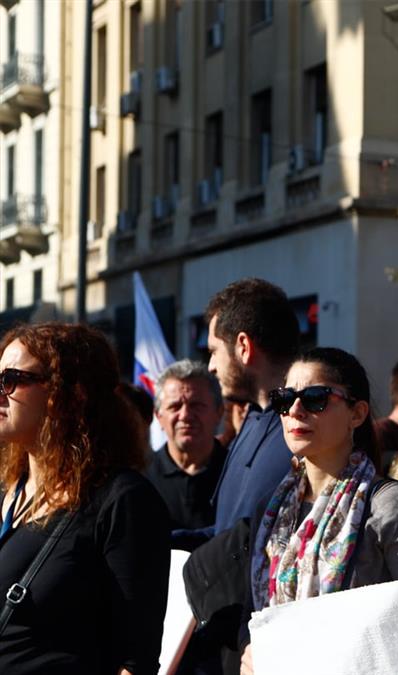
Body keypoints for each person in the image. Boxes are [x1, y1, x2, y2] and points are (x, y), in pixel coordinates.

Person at [240, 348, 398, 674]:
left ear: (357, 414)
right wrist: (251, 653)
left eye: (315, 397)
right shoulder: (272, 509)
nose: (296, 410)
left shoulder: (386, 505)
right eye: (285, 398)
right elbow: (254, 615)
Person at [0, 323, 170, 673]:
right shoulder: (9, 491)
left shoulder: (123, 500)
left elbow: (135, 661)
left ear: (71, 394)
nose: (0, 393)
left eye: (11, 379)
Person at [180, 278, 300, 675]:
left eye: (214, 350)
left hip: (266, 653)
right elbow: (229, 532)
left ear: (244, 347)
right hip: (220, 643)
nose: (211, 365)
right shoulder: (252, 421)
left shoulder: (309, 431)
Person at [145, 359, 226, 550]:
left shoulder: (239, 473)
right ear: (158, 416)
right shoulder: (139, 477)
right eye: (174, 407)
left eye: (196, 405)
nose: (186, 415)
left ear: (219, 413)